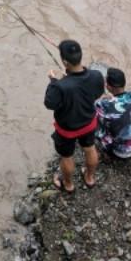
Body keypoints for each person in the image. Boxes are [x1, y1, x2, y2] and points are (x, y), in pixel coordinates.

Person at [44, 39, 105, 193]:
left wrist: (52, 81)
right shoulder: (97, 76)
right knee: (90, 148)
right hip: (89, 123)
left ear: (65, 62)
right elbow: (97, 93)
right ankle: (90, 178)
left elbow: (49, 104)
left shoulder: (59, 86)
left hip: (67, 130)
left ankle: (68, 184)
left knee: (67, 157)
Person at [95, 67, 131, 159]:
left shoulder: (103, 105)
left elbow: (96, 110)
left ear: (109, 87)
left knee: (95, 121)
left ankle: (107, 153)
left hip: (119, 151)